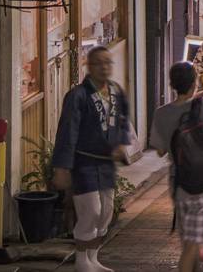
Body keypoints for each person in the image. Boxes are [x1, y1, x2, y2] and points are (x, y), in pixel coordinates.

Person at [51, 45, 133, 272]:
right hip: (84, 162)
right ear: (89, 66)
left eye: (108, 62)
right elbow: (67, 131)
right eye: (99, 63)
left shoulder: (116, 91)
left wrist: (121, 144)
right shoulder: (78, 95)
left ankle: (93, 257)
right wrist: (62, 167)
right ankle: (81, 259)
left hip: (106, 162)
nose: (105, 67)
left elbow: (124, 121)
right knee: (91, 210)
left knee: (106, 212)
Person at [148, 61, 203, 272]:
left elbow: (160, 150)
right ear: (194, 83)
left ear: (172, 84)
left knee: (188, 237)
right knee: (192, 245)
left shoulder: (161, 113)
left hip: (179, 180)